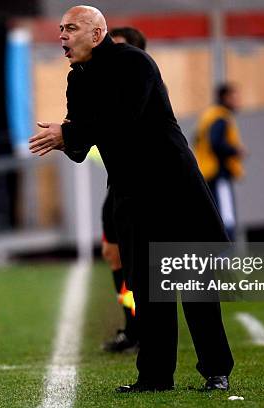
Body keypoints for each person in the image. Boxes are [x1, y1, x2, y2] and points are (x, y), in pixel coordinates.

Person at [29, 6, 234, 392]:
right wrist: (62, 140)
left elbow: (122, 119)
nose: (63, 37)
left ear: (97, 32)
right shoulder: (77, 80)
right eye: (59, 30)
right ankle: (155, 377)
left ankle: (216, 371)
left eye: (71, 28)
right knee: (146, 287)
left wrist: (70, 135)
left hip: (174, 189)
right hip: (132, 193)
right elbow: (80, 141)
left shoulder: (135, 63)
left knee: (193, 283)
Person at [100, 26, 147, 354]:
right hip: (116, 186)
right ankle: (132, 325)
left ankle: (144, 327)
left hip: (142, 188)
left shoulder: (145, 84)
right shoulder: (103, 86)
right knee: (113, 255)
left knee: (142, 263)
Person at [193, 83, 246, 240]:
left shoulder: (208, 115)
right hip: (218, 173)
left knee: (215, 213)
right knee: (226, 215)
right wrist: (235, 150)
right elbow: (215, 143)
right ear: (225, 97)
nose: (238, 101)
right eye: (235, 97)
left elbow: (196, 139)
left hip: (206, 172)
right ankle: (225, 254)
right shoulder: (220, 117)